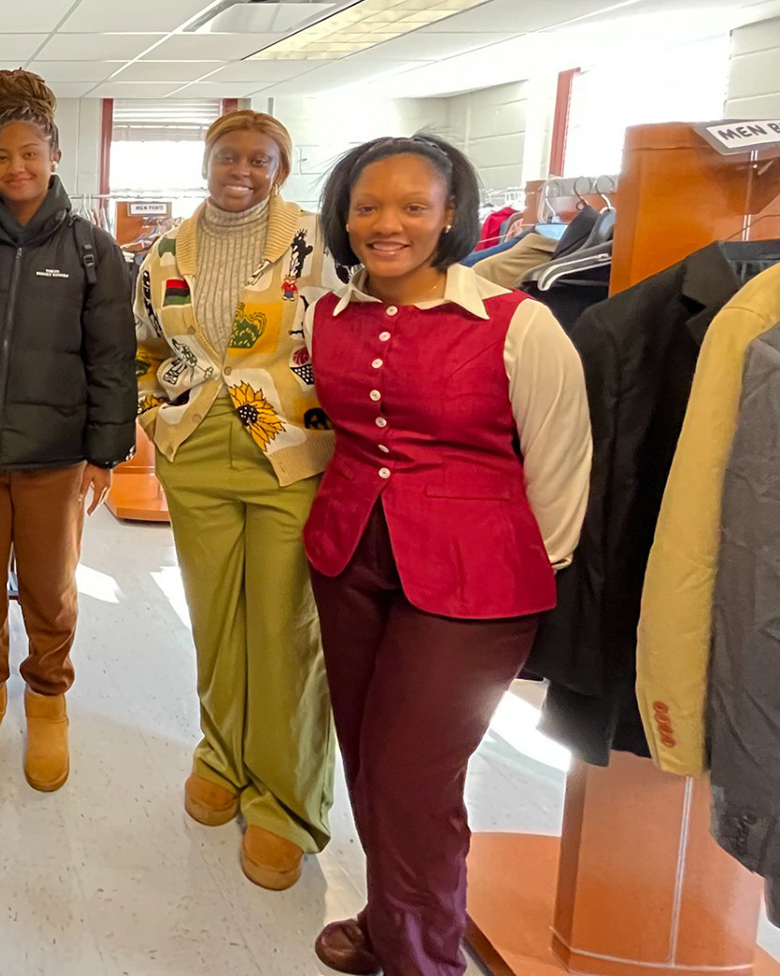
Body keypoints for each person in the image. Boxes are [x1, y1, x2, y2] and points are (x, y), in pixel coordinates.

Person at [303, 135, 589, 976]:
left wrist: (530, 573)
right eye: (366, 206)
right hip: (350, 558)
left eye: (411, 206)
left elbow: (561, 468)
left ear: (451, 213)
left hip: (475, 580)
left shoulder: (518, 323)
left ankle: (422, 957)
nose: (386, 224)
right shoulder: (328, 315)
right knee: (367, 757)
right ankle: (394, 916)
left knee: (412, 776)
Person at [132, 109, 343, 892]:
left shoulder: (317, 240)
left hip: (290, 448)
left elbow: (347, 336)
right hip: (194, 447)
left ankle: (285, 798)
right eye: (229, 155)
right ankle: (221, 756)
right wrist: (154, 412)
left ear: (281, 168)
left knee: (285, 628)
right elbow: (145, 344)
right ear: (206, 160)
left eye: (260, 159)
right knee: (216, 619)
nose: (242, 170)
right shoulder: (166, 250)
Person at [0, 70, 136, 792]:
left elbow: (113, 359)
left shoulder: (91, 250)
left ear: (54, 155)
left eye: (29, 154)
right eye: (2, 156)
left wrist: (105, 454)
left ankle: (48, 698)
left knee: (50, 590)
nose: (16, 168)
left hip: (55, 458)